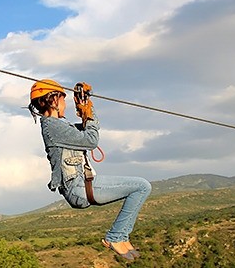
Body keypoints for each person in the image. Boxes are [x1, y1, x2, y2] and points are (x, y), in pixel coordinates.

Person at [28, 79, 152, 260]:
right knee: (142, 186)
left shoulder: (60, 126)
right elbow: (91, 139)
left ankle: (122, 236)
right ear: (53, 99)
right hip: (78, 187)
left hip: (81, 185)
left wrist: (86, 109)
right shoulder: (52, 127)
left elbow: (88, 129)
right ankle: (116, 237)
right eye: (63, 98)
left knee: (141, 188)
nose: (65, 103)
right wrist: (89, 115)